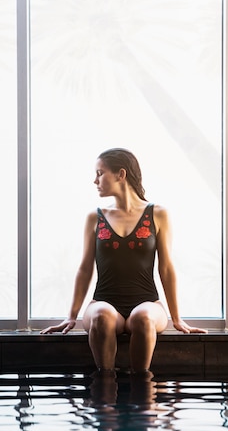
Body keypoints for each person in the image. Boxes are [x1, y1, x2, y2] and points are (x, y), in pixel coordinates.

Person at [40, 148, 207, 373]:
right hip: (104, 302)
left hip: (147, 302)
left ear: (121, 174)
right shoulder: (95, 217)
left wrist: (177, 319)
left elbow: (166, 268)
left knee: (144, 318)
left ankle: (142, 392)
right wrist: (71, 317)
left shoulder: (158, 214)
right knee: (101, 317)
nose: (95, 180)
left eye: (100, 173)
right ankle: (105, 389)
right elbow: (85, 268)